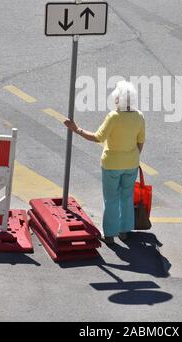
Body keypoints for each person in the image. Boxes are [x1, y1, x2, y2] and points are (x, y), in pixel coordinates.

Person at [64, 80, 145, 244]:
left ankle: (110, 233)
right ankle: (124, 231)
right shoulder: (139, 116)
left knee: (111, 199)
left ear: (118, 100)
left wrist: (76, 129)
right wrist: (133, 157)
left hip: (112, 164)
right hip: (131, 164)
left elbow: (98, 137)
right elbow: (140, 141)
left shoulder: (114, 117)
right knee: (126, 197)